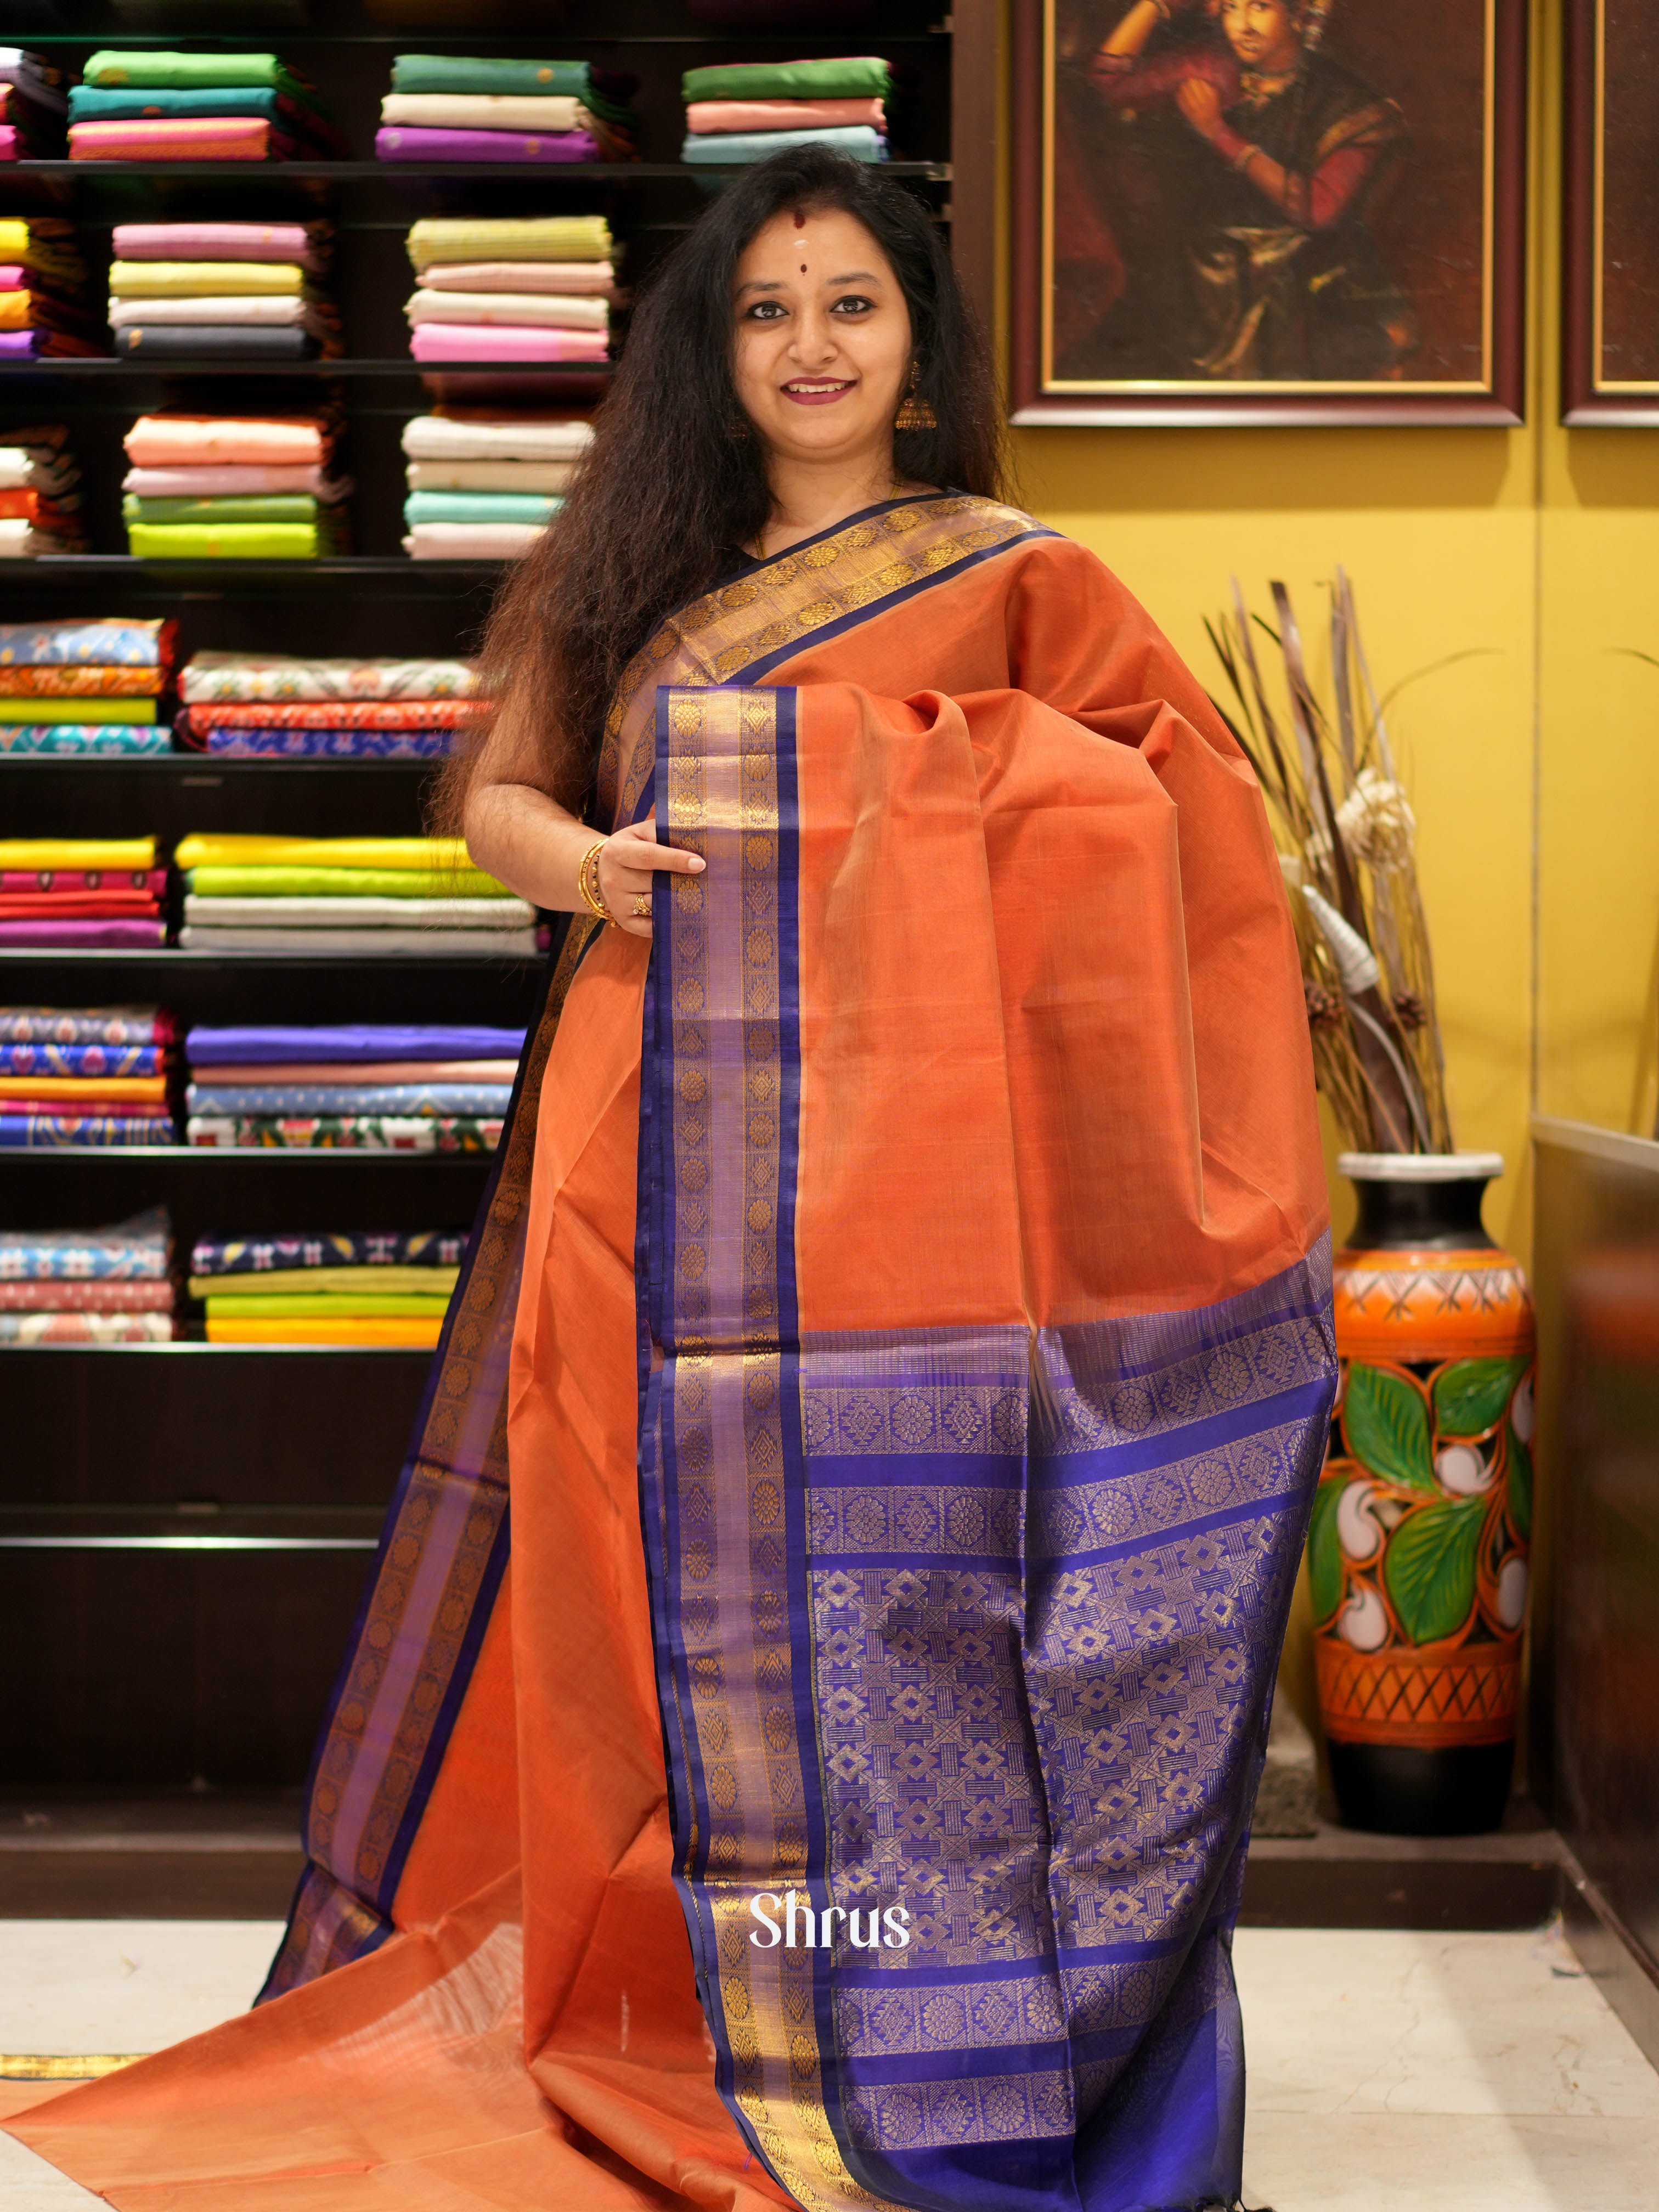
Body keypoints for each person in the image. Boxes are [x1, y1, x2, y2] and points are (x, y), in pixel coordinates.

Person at [7, 148, 1336, 2212]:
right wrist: (601, 865)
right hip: (652, 1160)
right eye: (763, 309)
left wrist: (937, 777)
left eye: (850, 304)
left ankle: (910, 2019)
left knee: (922, 1612)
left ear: (915, 341)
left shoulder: (1018, 572)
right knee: (643, 1599)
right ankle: (662, 1996)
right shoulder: (628, 564)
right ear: (709, 354)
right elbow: (501, 802)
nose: (809, 344)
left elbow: (1175, 814)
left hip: (931, 1212)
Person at [1063, 0, 1414, 381]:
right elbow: (1106, 80)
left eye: (1259, 7)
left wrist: (1218, 133)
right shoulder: (1211, 68)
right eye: (1231, 8)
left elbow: (1318, 209)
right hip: (1207, 278)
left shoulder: (1348, 103)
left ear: (1299, 15)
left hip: (1308, 281)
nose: (1242, 26)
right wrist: (1156, 6)